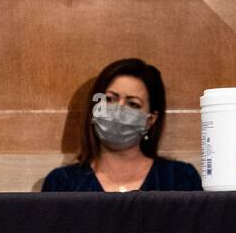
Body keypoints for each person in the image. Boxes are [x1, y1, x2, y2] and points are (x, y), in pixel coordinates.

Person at [42, 58, 201, 192]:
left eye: (133, 104)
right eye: (110, 99)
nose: (118, 110)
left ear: (150, 120)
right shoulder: (62, 183)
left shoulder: (179, 178)